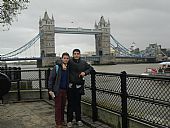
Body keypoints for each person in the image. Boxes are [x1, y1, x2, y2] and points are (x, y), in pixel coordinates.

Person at [67, 49, 93, 127]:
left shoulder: (83, 63)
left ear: (80, 54)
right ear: (73, 55)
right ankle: (69, 121)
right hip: (70, 87)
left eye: (78, 53)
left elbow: (91, 68)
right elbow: (58, 62)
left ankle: (79, 120)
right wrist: (64, 65)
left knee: (78, 104)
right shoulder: (69, 62)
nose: (76, 55)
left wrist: (85, 72)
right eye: (75, 54)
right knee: (70, 104)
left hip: (79, 87)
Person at [48, 52, 70, 128]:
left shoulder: (68, 67)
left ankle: (62, 121)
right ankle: (58, 123)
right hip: (57, 90)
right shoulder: (57, 67)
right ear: (62, 59)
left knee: (63, 107)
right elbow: (51, 79)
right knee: (58, 107)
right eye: (64, 58)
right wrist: (50, 89)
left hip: (65, 90)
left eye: (67, 58)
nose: (66, 59)